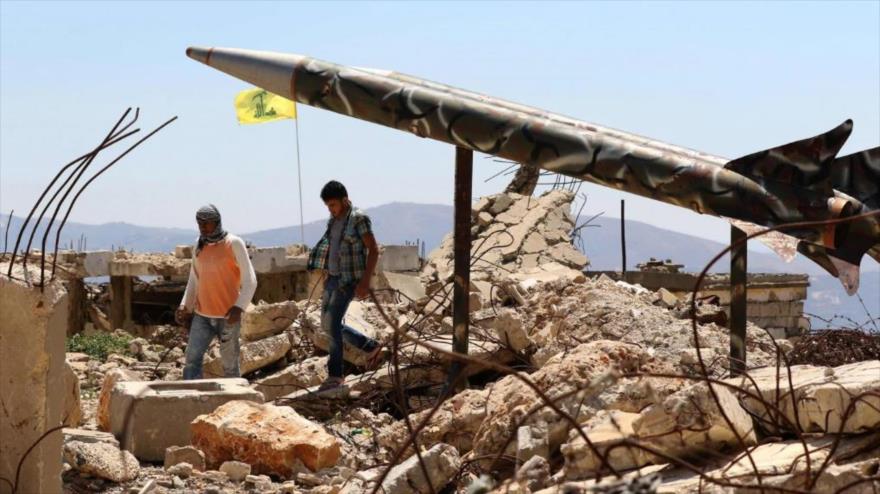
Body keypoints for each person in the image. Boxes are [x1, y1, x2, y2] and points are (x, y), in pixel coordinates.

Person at [307, 180, 384, 391]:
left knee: (332, 326)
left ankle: (335, 374)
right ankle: (371, 347)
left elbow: (373, 250)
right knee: (326, 325)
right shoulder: (333, 220)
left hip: (348, 281)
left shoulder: (359, 219)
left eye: (333, 205)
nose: (330, 209)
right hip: (332, 279)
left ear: (344, 200)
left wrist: (365, 282)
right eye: (328, 206)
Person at [176, 204, 257, 380]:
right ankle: (191, 398)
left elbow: (250, 280)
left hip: (228, 317)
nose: (203, 228)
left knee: (229, 365)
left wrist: (239, 307)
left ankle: (234, 402)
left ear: (217, 222)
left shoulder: (234, 243)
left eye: (207, 223)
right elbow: (194, 278)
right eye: (199, 224)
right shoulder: (199, 244)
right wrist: (185, 306)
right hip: (202, 315)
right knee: (191, 360)